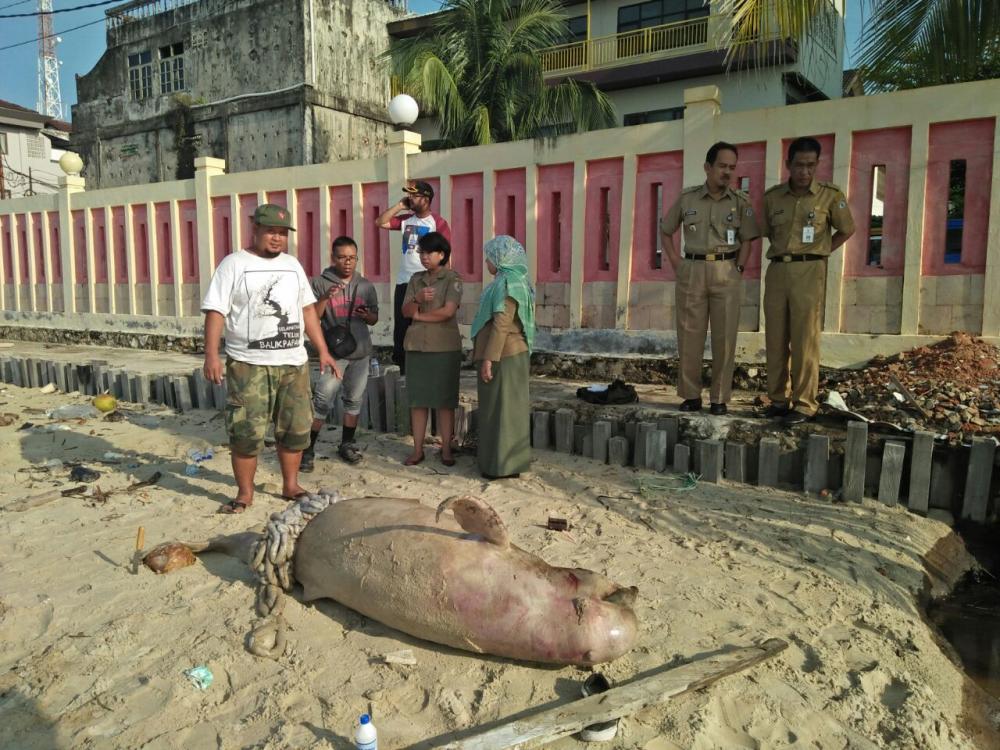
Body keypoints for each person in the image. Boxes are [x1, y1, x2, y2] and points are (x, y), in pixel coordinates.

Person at [201, 204, 338, 514]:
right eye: (271, 231)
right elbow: (215, 311)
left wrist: (323, 351)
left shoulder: (292, 265)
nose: (277, 238)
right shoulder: (233, 264)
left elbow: (307, 310)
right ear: (255, 229)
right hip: (249, 363)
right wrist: (211, 355)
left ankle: (290, 485)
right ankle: (245, 493)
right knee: (246, 432)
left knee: (294, 429)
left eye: (282, 233)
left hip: (293, 362)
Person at [660, 142, 760, 415]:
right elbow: (666, 230)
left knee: (724, 338)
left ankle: (719, 398)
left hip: (726, 272)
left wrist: (738, 269)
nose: (727, 172)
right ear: (708, 167)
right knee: (689, 337)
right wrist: (675, 262)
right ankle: (691, 395)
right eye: (722, 166)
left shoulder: (740, 202)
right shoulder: (688, 199)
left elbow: (749, 239)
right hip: (692, 270)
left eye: (732, 167)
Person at [761, 136, 855, 425]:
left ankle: (804, 403)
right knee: (775, 338)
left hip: (810, 271)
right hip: (777, 270)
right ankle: (778, 400)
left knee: (805, 339)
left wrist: (822, 251)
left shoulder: (830, 196)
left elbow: (847, 229)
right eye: (799, 165)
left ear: (817, 164)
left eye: (810, 165)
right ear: (788, 164)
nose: (804, 171)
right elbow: (766, 232)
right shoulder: (772, 197)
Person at [301, 236, 379, 471]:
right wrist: (325, 297)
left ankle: (347, 444)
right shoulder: (317, 283)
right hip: (334, 354)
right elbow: (311, 316)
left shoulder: (365, 285)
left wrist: (367, 316)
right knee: (322, 400)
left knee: (354, 400)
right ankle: (308, 449)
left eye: (352, 258)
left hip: (361, 352)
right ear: (333, 258)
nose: (348, 262)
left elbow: (374, 318)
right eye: (343, 257)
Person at [471, 235, 535, 479]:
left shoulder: (507, 284)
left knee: (500, 411)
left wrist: (489, 359)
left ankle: (500, 467)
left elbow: (502, 323)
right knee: (508, 410)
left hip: (503, 355)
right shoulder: (515, 281)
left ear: (500, 258)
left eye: (489, 257)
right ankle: (509, 464)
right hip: (510, 354)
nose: (487, 261)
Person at [375, 180, 452, 374]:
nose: (411, 198)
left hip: (427, 283)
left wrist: (442, 284)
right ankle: (403, 371)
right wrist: (400, 206)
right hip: (404, 283)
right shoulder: (405, 220)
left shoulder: (438, 223)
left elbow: (445, 256)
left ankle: (426, 370)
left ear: (426, 199)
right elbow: (380, 222)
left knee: (425, 325)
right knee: (402, 329)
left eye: (414, 195)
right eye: (409, 195)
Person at [400, 232, 462, 466]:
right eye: (422, 253)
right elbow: (405, 312)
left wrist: (420, 316)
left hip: (444, 347)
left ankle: (446, 449)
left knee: (445, 402)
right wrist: (416, 299)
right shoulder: (416, 279)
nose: (424, 257)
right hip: (416, 346)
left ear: (442, 254)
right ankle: (417, 450)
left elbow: (448, 311)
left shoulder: (452, 279)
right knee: (418, 401)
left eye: (429, 253)